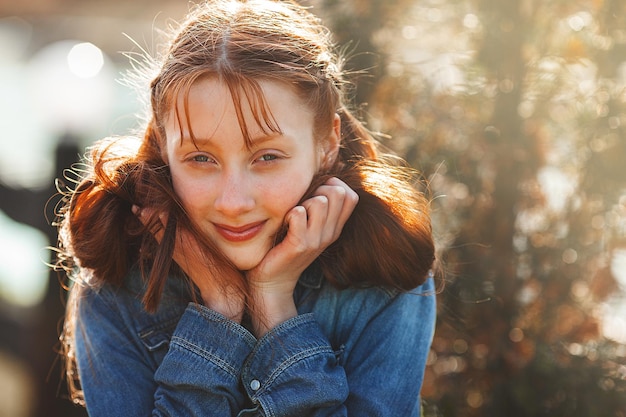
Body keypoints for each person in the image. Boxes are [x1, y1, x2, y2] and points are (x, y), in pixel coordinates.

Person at [54, 0, 437, 415]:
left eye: (267, 157)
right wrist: (218, 307)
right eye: (201, 159)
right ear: (165, 148)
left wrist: (275, 307)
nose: (233, 202)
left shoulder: (387, 271)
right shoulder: (116, 283)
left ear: (327, 144)